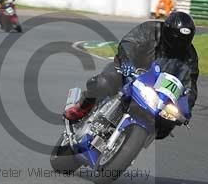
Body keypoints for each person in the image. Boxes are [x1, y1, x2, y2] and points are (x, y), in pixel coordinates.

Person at [64, 11, 199, 139]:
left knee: (167, 123)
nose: (178, 44)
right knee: (103, 83)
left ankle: (127, 143)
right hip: (129, 71)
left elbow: (190, 84)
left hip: (156, 91)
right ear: (167, 31)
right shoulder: (151, 29)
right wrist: (127, 61)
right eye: (175, 38)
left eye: (183, 40)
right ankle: (82, 107)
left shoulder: (190, 56)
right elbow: (129, 42)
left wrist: (186, 108)